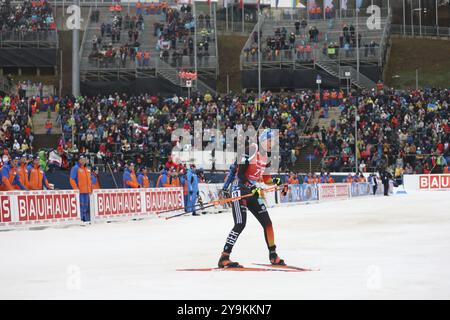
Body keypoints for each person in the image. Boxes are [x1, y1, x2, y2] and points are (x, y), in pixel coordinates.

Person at [218, 128, 285, 269]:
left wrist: (277, 182)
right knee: (240, 223)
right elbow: (240, 174)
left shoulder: (266, 157)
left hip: (252, 191)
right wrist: (250, 186)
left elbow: (266, 179)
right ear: (262, 139)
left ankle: (273, 255)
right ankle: (224, 256)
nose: (271, 144)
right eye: (269, 140)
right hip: (239, 188)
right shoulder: (251, 149)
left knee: (267, 223)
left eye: (273, 142)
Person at [70, 155, 92, 222]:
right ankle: (81, 219)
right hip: (80, 191)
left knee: (86, 206)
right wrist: (76, 189)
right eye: (82, 159)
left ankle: (86, 219)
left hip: (87, 191)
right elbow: (72, 179)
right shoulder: (75, 168)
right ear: (79, 160)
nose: (83, 161)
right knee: (81, 206)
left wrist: (90, 189)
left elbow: (89, 180)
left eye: (84, 159)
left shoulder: (87, 169)